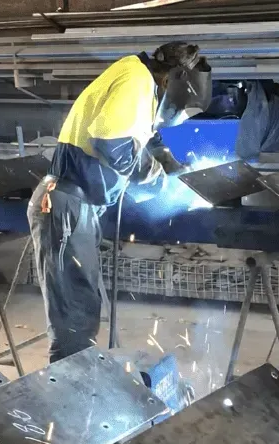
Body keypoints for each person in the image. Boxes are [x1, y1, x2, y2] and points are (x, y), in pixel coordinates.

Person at [28, 42, 210, 362]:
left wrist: (170, 164)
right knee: (74, 312)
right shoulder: (135, 81)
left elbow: (142, 134)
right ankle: (69, 392)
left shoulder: (137, 77)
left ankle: (77, 381)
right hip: (65, 205)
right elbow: (110, 143)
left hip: (77, 206)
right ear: (173, 78)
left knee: (83, 301)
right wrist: (153, 175)